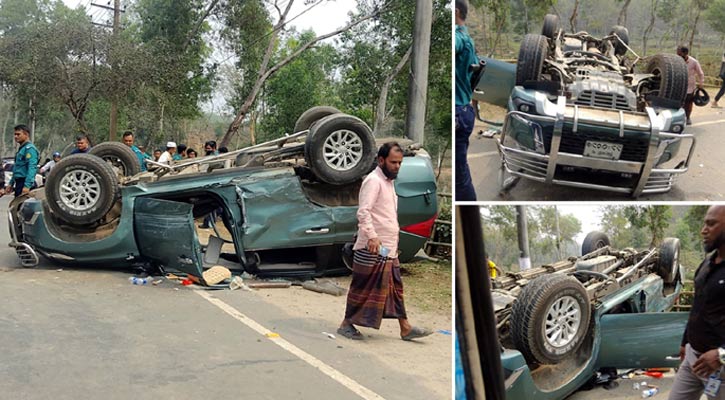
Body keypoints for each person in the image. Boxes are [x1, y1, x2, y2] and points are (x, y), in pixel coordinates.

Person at [337, 142, 431, 341]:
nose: (397, 166)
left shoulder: (388, 182)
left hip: (387, 248)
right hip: (372, 246)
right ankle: (346, 324)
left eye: (399, 163)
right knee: (362, 287)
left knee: (395, 287)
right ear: (381, 161)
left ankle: (405, 327)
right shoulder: (373, 181)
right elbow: (364, 212)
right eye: (393, 162)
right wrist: (372, 235)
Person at [669, 205, 725, 400]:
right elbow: (697, 307)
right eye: (704, 223)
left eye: (711, 224)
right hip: (693, 357)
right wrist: (685, 342)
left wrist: (721, 355)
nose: (703, 230)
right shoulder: (707, 263)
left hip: (720, 366)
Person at [455, 0, 479, 201]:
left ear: (455, 12)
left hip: (459, 112)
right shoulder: (467, 39)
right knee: (460, 175)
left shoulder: (459, 39)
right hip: (464, 109)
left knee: (460, 178)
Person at [4, 124, 39, 197]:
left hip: (25, 183)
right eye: (15, 134)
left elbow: (32, 168)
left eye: (18, 134)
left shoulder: (30, 149)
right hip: (19, 183)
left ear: (26, 134)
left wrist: (27, 186)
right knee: (17, 206)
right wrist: (11, 183)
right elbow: (17, 169)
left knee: (24, 206)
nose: (15, 136)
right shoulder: (22, 149)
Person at [677, 46, 705, 125]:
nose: (678, 55)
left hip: (689, 86)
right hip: (679, 84)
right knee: (678, 102)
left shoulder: (694, 62)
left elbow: (700, 74)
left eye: (680, 54)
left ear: (685, 53)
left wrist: (701, 83)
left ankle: (688, 117)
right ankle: (678, 118)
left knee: (688, 103)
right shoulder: (676, 61)